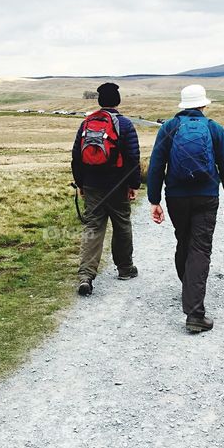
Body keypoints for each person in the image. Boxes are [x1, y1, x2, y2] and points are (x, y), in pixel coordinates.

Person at [147, 84, 224, 332]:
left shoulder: (169, 128)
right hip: (206, 195)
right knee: (200, 248)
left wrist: (154, 200)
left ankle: (190, 289)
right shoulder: (213, 128)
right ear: (204, 105)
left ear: (182, 105)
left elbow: (156, 164)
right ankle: (195, 312)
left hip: (176, 196)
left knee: (183, 240)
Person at [71, 82, 141, 296]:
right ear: (117, 101)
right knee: (122, 225)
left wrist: (81, 183)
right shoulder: (125, 124)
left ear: (100, 101)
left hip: (92, 184)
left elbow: (76, 156)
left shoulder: (87, 123)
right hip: (117, 185)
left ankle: (86, 276)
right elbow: (133, 157)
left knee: (93, 227)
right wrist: (133, 185)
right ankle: (125, 269)